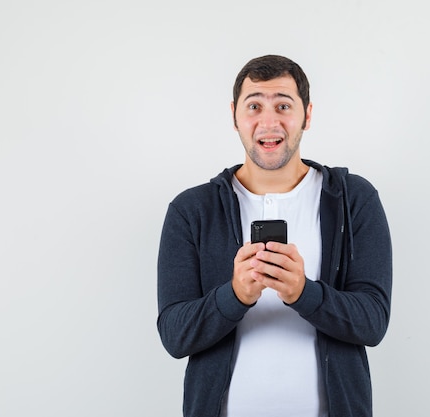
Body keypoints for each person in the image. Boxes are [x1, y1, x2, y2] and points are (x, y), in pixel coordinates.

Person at [157, 54, 392, 417]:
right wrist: (234, 296)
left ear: (307, 115)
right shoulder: (191, 210)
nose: (269, 122)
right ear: (235, 115)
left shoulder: (353, 199)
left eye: (284, 105)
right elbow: (175, 335)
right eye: (254, 106)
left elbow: (373, 322)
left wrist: (304, 293)